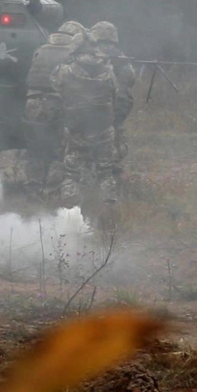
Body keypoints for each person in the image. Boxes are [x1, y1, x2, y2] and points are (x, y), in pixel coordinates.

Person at [50, 23, 118, 234]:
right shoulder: (108, 70)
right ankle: (108, 213)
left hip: (76, 131)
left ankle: (71, 218)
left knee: (71, 174)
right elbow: (115, 94)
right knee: (105, 173)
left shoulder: (65, 71)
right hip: (103, 131)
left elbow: (55, 87)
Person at [22, 21, 87, 204]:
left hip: (33, 102)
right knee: (59, 150)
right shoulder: (73, 53)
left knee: (35, 149)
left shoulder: (40, 50)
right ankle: (52, 191)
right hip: (58, 102)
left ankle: (33, 190)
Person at [90, 21, 137, 187]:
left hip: (90, 109)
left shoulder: (88, 53)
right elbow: (130, 78)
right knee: (115, 147)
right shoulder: (120, 56)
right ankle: (113, 185)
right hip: (116, 109)